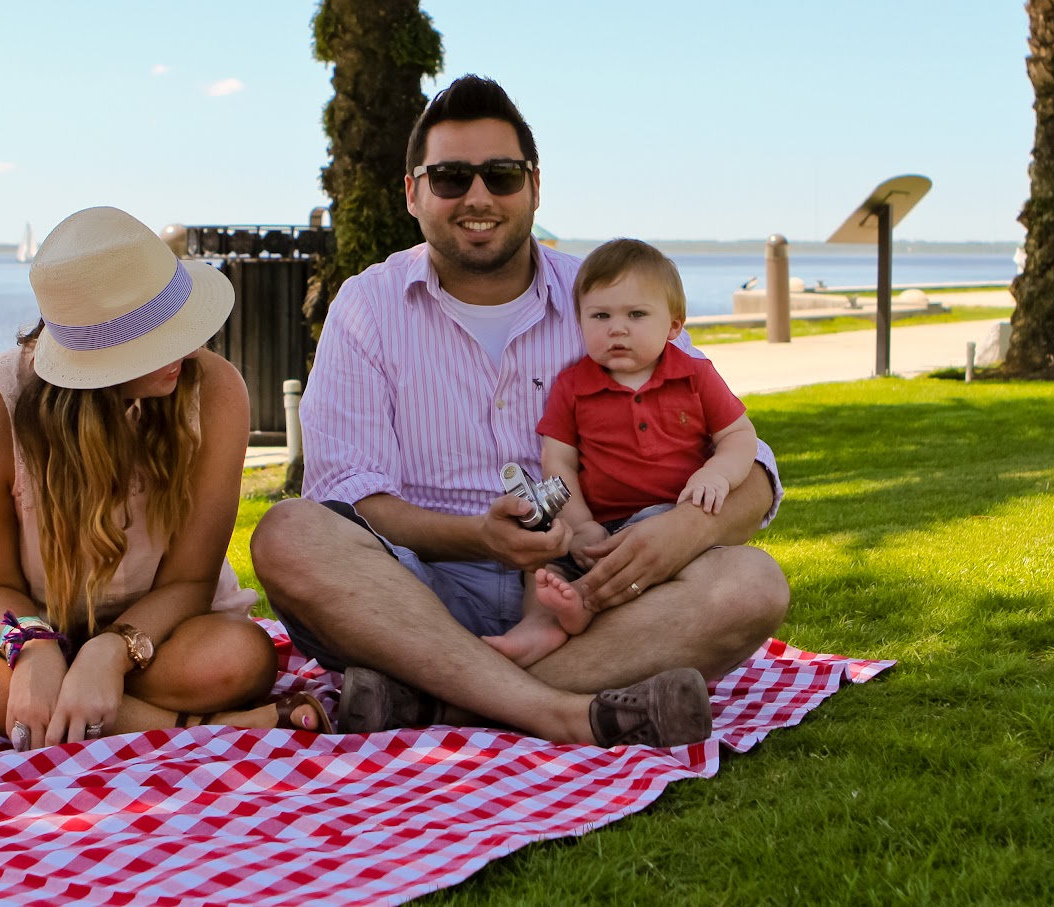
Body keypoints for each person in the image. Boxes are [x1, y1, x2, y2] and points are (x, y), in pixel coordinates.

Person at [251, 75, 791, 748]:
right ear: (413, 193)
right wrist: (479, 537)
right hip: (415, 593)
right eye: (451, 177)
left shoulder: (605, 295)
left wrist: (680, 534)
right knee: (289, 533)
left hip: (591, 591)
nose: (478, 197)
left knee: (751, 584)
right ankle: (555, 708)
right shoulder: (367, 306)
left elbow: (753, 470)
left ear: (535, 187)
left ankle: (436, 703)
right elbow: (351, 498)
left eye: (501, 175)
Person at [0, 206, 331, 748]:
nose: (188, 347)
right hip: (32, 625)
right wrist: (34, 649)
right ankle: (197, 729)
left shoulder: (215, 392)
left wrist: (110, 651)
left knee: (241, 657)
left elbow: (190, 583)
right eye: (159, 338)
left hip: (163, 637)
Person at [483, 238, 759, 668]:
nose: (617, 328)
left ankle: (585, 602)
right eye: (600, 316)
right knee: (545, 560)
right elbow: (558, 463)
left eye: (636, 315)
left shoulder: (695, 376)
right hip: (597, 526)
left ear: (673, 326)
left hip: (668, 518)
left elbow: (739, 436)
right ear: (580, 322)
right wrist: (580, 526)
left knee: (688, 569)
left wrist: (716, 474)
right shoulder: (572, 386)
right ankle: (539, 624)